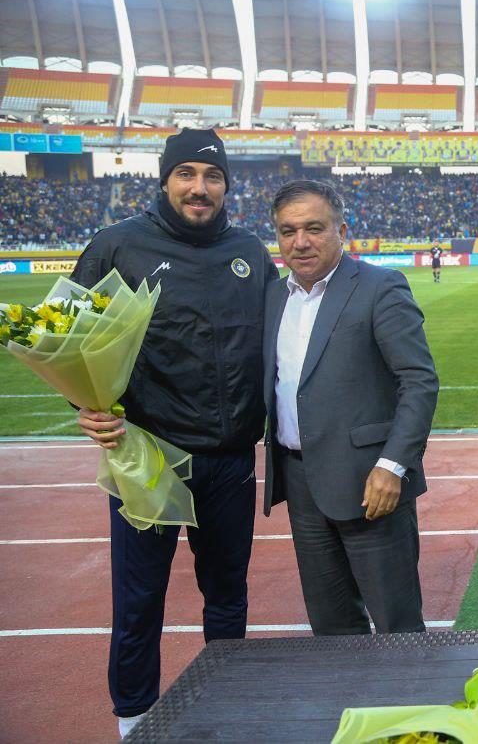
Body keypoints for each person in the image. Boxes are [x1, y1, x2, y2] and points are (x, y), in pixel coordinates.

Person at [72, 128, 275, 738]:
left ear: (226, 187)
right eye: (186, 174)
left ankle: (225, 701)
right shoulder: (116, 245)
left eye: (212, 177)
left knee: (227, 594)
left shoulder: (249, 250)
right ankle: (134, 718)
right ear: (164, 180)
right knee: (140, 600)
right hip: (148, 454)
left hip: (230, 459)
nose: (199, 187)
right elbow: (68, 336)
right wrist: (84, 402)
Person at [263, 180, 439, 635]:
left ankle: (406, 688)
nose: (300, 242)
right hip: (301, 483)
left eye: (314, 228)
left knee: (397, 625)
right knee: (331, 626)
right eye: (288, 231)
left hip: (371, 483)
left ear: (341, 231)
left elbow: (418, 382)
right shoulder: (274, 296)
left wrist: (393, 466)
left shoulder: (380, 286)